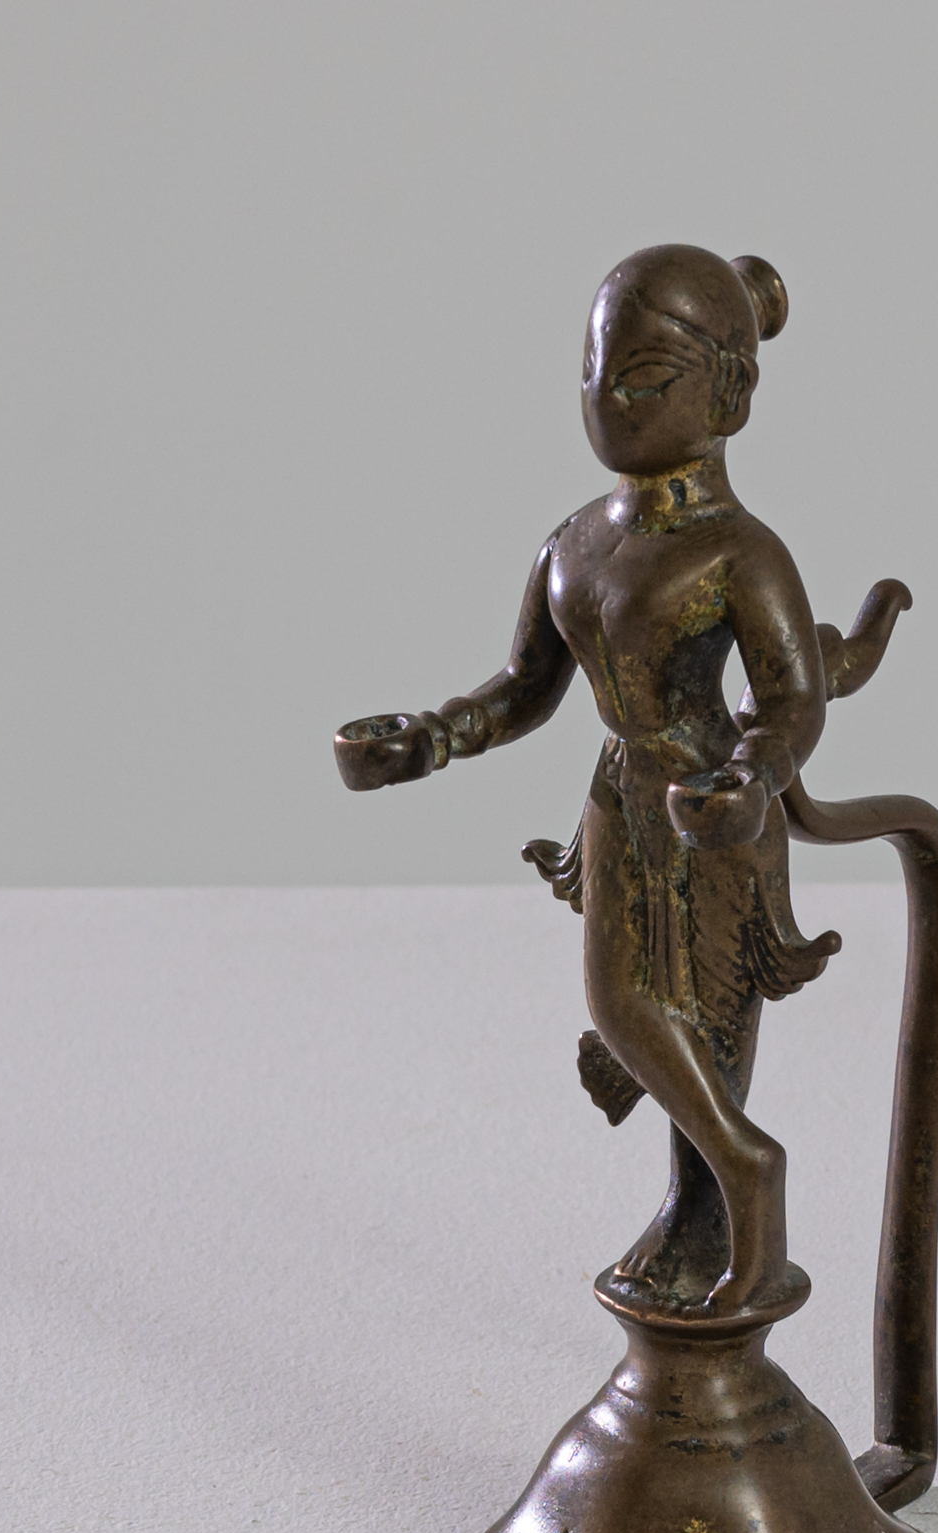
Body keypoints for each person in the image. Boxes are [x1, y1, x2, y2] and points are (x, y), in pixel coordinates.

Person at [336, 245, 908, 1317]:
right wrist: (430, 738)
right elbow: (524, 685)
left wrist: (753, 775)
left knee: (699, 1027)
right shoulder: (573, 544)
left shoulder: (738, 552)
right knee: (628, 1007)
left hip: (710, 810)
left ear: (727, 396)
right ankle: (704, 1206)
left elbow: (793, 698)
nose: (608, 398)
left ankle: (742, 1186)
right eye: (593, 370)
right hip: (618, 802)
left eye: (644, 377)